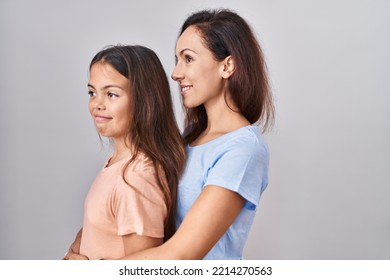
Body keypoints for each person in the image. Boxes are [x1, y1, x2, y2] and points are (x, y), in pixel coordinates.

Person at [67, 8, 274, 260]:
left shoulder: (243, 150)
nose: (175, 73)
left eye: (188, 58)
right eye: (177, 59)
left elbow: (182, 254)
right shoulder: (188, 138)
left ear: (227, 65)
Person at [63, 45, 185, 260]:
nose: (96, 104)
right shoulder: (118, 162)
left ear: (144, 100)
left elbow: (142, 270)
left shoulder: (137, 177)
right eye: (92, 92)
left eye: (111, 94)